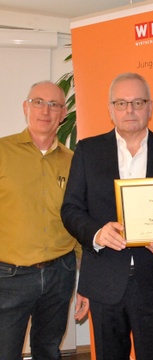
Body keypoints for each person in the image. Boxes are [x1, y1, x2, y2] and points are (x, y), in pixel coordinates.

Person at [61, 72, 153, 360]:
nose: (130, 110)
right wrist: (95, 233)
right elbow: (70, 209)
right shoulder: (87, 150)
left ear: (150, 107)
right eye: (121, 103)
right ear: (110, 109)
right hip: (104, 281)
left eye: (138, 102)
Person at [0, 81, 78, 360]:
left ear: (63, 114)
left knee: (48, 350)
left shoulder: (74, 161)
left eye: (54, 104)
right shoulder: (2, 151)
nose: (45, 110)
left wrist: (88, 278)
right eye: (38, 102)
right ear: (25, 107)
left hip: (61, 273)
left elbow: (79, 217)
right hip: (9, 277)